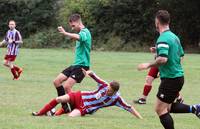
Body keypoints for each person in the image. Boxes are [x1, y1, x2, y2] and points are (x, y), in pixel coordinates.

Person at [137, 10, 200, 129]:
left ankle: (195, 109)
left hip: (171, 79)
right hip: (177, 77)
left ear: (157, 22)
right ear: (168, 21)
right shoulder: (174, 37)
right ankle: (195, 109)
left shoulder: (163, 38)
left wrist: (148, 65)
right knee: (167, 107)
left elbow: (163, 59)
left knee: (160, 109)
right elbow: (180, 55)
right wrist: (157, 50)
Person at [32, 70, 142, 119]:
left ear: (114, 92)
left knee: (71, 117)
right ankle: (40, 114)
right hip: (80, 96)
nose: (107, 90)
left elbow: (129, 108)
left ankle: (55, 113)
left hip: (84, 108)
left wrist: (140, 119)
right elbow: (94, 74)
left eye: (109, 91)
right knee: (59, 99)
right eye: (108, 88)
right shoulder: (104, 85)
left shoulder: (117, 99)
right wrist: (88, 73)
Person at [53, 14, 92, 114]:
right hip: (76, 64)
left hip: (82, 65)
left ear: (79, 22)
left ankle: (76, 108)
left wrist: (65, 33)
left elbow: (78, 37)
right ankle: (65, 107)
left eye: (73, 26)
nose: (72, 28)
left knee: (67, 86)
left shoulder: (85, 32)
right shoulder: (81, 32)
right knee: (57, 81)